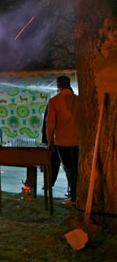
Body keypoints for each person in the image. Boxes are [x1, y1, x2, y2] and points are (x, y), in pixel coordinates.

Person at [47, 75, 79, 207]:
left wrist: (50, 140)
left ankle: (74, 197)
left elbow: (51, 123)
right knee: (76, 168)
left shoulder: (54, 101)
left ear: (58, 86)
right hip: (78, 139)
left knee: (69, 169)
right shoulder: (78, 100)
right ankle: (76, 194)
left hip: (62, 140)